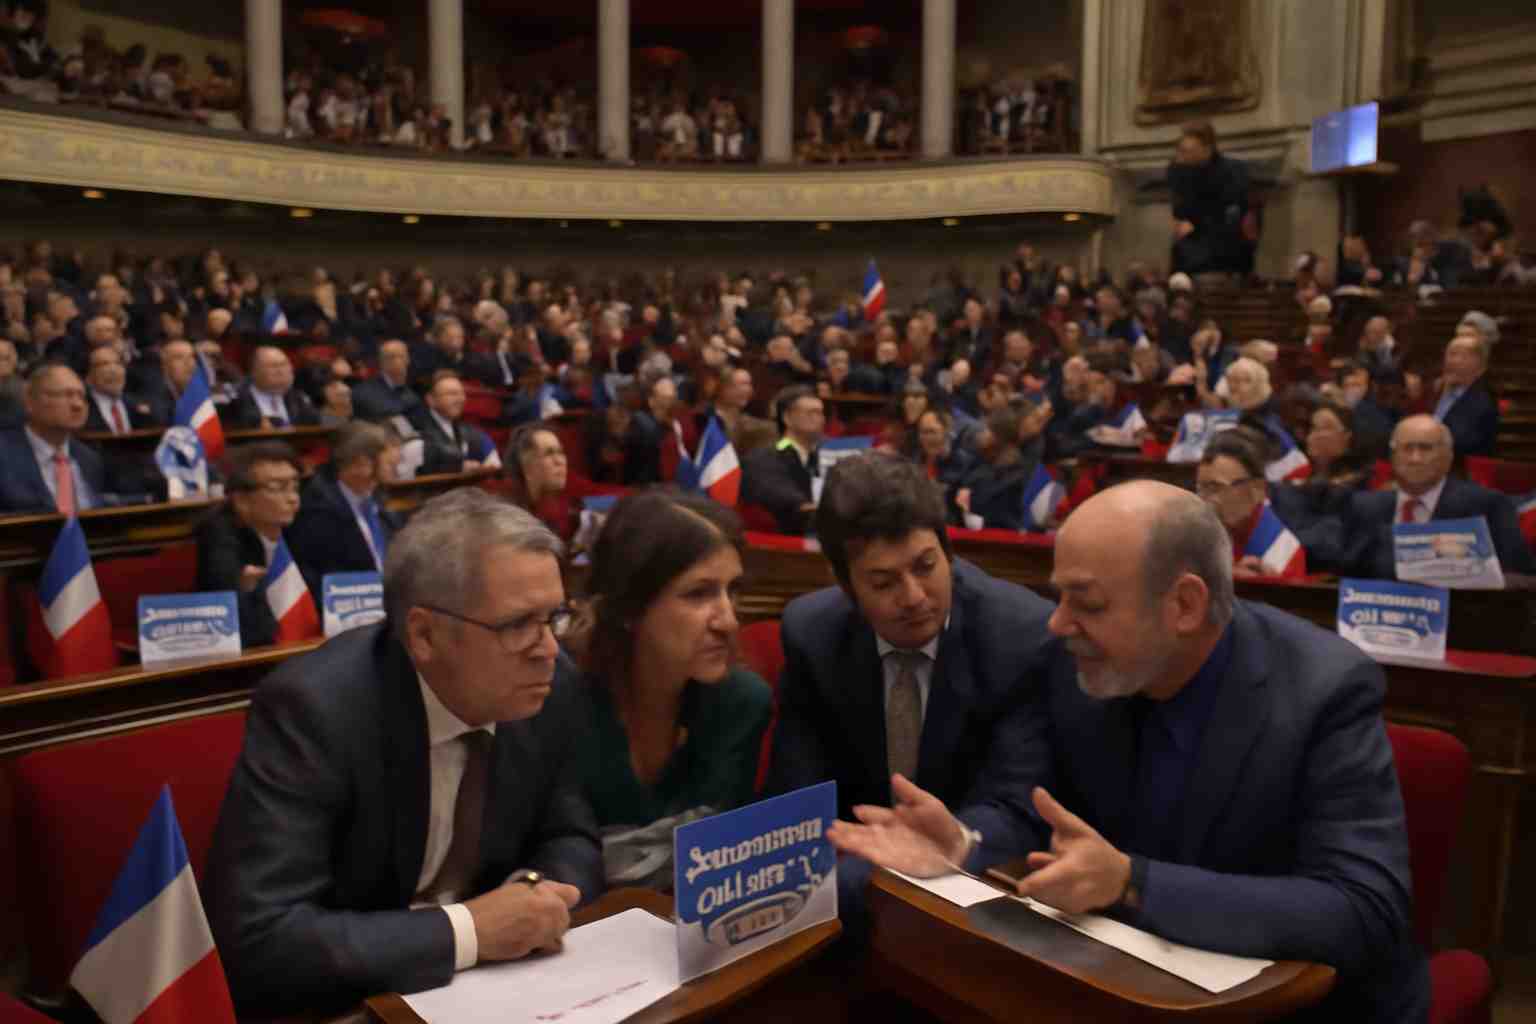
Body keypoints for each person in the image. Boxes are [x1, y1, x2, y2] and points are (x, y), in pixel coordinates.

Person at [827, 481, 1429, 1023]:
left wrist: (1133, 884)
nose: (1058, 624)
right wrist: (960, 842)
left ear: (1185, 606)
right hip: (1125, 990)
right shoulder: (1071, 667)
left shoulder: (1325, 690)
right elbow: (1026, 803)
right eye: (1058, 597)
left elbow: (1364, 910)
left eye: (1087, 604)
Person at [206, 489, 603, 1016]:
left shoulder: (550, 688)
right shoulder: (317, 711)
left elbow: (571, 833)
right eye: (517, 625)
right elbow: (260, 936)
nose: (549, 649)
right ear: (424, 634)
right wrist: (471, 930)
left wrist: (534, 896)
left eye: (553, 618)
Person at [765, 452, 1053, 927]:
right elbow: (797, 797)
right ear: (845, 585)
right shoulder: (812, 634)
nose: (915, 596)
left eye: (925, 565)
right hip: (849, 881)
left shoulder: (1017, 634)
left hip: (977, 891)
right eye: (884, 582)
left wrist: (958, 839)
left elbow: (1020, 805)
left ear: (948, 550)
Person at [563, 490, 771, 887]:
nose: (728, 621)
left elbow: (724, 862)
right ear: (628, 608)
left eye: (733, 591)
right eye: (699, 594)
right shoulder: (556, 704)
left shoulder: (741, 703)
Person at [1343, 415, 1535, 579]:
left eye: (1425, 448)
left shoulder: (1486, 505)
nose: (1415, 458)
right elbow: (1343, 571)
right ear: (1393, 457)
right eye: (1407, 448)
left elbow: (1522, 578)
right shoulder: (1365, 507)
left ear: (1448, 456)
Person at [195, 442, 304, 647]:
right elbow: (231, 623)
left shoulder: (301, 526)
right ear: (241, 501)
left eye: (295, 487)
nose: (293, 498)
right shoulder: (219, 535)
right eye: (277, 488)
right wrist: (245, 589)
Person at [0, 363, 146, 514]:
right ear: (30, 401)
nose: (77, 405)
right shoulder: (5, 454)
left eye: (82, 397)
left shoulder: (89, 458)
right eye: (66, 395)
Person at [288, 421, 405, 597]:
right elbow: (324, 583)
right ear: (361, 463)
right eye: (390, 465)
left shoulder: (377, 500)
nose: (398, 471)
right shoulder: (316, 512)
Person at [1196, 428, 1306, 579]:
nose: (1207, 500)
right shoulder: (1194, 532)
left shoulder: (1282, 553)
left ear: (1258, 490)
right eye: (1202, 488)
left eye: (1217, 488)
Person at [1167, 120, 1251, 280]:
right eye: (1182, 150)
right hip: (1188, 249)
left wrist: (1195, 223)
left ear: (1208, 148)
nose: (1183, 155)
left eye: (1190, 150)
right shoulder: (1178, 171)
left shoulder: (1233, 172)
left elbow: (1233, 212)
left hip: (1223, 249)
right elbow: (1179, 211)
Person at [740, 384, 824, 534]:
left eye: (821, 413)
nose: (819, 418)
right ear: (787, 418)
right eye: (811, 412)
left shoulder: (823, 457)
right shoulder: (763, 459)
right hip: (781, 541)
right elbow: (787, 501)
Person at [954, 398, 1045, 531]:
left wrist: (968, 497)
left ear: (998, 437)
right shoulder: (979, 459)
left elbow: (995, 511)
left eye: (987, 430)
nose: (981, 434)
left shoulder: (1015, 474)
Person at [1426, 332, 1498, 458]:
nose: (1452, 361)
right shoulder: (1433, 391)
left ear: (1481, 367)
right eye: (1450, 354)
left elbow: (1462, 442)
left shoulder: (1482, 403)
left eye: (1463, 356)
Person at [417, 370, 497, 475]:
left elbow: (494, 464)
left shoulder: (472, 432)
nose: (460, 399)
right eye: (452, 394)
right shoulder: (417, 431)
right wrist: (457, 467)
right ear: (431, 400)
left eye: (461, 393)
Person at [224, 345, 321, 429]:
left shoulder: (299, 398)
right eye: (273, 366)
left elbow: (316, 423)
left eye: (284, 364)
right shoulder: (234, 398)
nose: (281, 371)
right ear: (254, 371)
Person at [82, 344, 153, 435]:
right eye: (104, 364)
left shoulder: (136, 404)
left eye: (118, 363)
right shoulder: (82, 409)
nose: (113, 369)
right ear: (89, 376)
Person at [352, 339, 422, 423]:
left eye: (401, 356)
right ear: (381, 362)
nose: (397, 361)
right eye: (391, 357)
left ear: (408, 359)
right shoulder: (363, 392)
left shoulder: (413, 396)